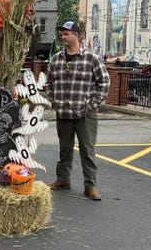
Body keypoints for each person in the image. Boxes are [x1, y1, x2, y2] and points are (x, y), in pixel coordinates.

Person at [45, 21, 110, 201]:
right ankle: (63, 179)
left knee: (87, 150)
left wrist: (92, 104)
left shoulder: (91, 58)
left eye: (66, 34)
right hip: (63, 113)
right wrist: (54, 102)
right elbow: (48, 84)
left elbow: (104, 82)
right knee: (64, 149)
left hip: (84, 114)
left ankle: (90, 185)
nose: (63, 37)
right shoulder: (56, 59)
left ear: (76, 35)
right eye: (62, 34)